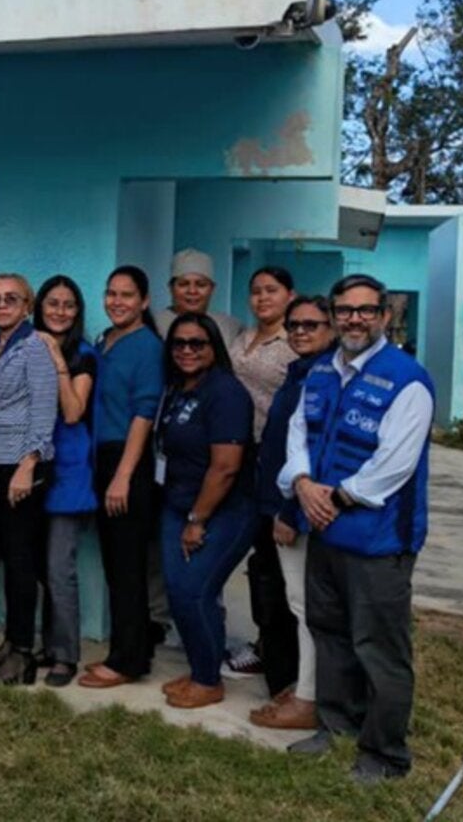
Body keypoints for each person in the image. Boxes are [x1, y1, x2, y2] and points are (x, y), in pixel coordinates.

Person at [279, 274, 434, 784]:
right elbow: (299, 434)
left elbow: (395, 465)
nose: (355, 319)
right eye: (345, 310)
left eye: (366, 310)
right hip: (326, 531)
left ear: (384, 316)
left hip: (378, 540)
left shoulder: (407, 380)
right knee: (329, 634)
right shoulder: (322, 371)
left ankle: (385, 755)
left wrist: (334, 497)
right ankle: (336, 727)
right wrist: (303, 483)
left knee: (380, 648)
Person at [155, 313, 257, 709]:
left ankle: (208, 681)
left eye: (197, 343)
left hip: (221, 510)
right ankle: (202, 668)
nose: (187, 350)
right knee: (181, 592)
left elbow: (225, 467)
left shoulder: (226, 393)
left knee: (195, 591)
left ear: (214, 348)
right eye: (179, 343)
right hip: (178, 503)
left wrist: (198, 520)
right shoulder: (180, 388)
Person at [249, 294, 335, 731]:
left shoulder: (325, 377)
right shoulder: (300, 371)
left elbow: (314, 452)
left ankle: (308, 698)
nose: (300, 332)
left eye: (311, 325)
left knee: (303, 606)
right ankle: (296, 685)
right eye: (294, 325)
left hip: (295, 509)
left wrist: (289, 511)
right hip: (276, 501)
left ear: (331, 329)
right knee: (287, 601)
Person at [0, 273, 59, 686]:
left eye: (12, 299)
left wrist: (28, 465)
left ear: (27, 305)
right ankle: (10, 643)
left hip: (20, 467)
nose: (3, 305)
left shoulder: (34, 346)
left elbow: (44, 410)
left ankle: (22, 654)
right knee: (6, 556)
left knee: (22, 561)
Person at [80, 266, 163, 689]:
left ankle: (127, 661)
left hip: (126, 460)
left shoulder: (147, 346)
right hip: (102, 457)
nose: (116, 301)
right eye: (111, 293)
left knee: (127, 566)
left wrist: (123, 476)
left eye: (127, 295)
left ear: (144, 301)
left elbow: (144, 413)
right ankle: (133, 648)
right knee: (116, 564)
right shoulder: (105, 341)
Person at [226, 266, 300, 685]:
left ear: (290, 295)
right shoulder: (243, 336)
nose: (262, 298)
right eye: (256, 291)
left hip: (276, 457)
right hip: (241, 455)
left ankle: (281, 658)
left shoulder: (294, 343)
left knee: (274, 559)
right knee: (259, 559)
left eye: (272, 290)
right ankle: (265, 644)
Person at [32, 275, 97, 688]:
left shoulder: (83, 355)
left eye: (68, 304)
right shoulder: (25, 348)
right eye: (52, 303)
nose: (59, 311)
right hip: (32, 469)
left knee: (59, 569)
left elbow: (73, 412)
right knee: (40, 568)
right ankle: (47, 645)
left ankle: (66, 655)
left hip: (69, 474)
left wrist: (56, 356)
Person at [153, 248, 242, 344]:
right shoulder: (154, 326)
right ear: (171, 288)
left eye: (201, 285)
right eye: (183, 284)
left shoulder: (231, 327)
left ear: (212, 289)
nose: (192, 291)